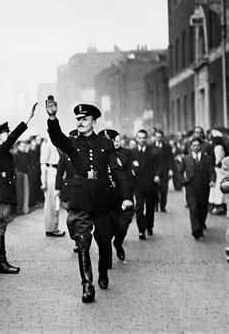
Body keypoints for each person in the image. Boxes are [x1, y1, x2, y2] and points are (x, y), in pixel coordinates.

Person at [45, 100, 132, 303]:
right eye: (78, 119)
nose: (80, 122)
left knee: (103, 241)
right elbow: (57, 138)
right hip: (81, 198)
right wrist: (52, 118)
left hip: (102, 200)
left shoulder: (106, 144)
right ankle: (87, 285)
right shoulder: (73, 142)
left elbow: (118, 172)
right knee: (83, 241)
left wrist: (126, 197)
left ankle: (103, 272)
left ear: (94, 122)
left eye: (84, 119)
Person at [0, 103, 37, 274]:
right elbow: (12, 140)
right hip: (2, 188)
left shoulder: (0, 150)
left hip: (5, 188)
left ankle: (1, 262)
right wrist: (27, 119)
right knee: (0, 224)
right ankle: (0, 264)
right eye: (5, 134)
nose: (8, 136)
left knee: (2, 224)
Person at [98, 129, 135, 261]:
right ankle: (106, 259)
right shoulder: (97, 158)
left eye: (111, 141)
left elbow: (124, 178)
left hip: (120, 199)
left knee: (123, 226)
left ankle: (118, 243)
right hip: (104, 200)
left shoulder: (118, 157)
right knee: (105, 231)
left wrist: (127, 198)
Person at [178, 137, 216, 239]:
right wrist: (183, 181)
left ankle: (200, 225)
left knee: (203, 208)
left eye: (198, 145)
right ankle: (195, 229)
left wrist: (212, 180)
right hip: (191, 187)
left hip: (203, 187)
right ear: (191, 147)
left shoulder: (208, 159)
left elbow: (212, 171)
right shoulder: (186, 158)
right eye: (194, 145)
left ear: (201, 146)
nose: (196, 147)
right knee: (193, 208)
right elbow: (179, 172)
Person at [130, 129, 159, 240]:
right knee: (139, 207)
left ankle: (149, 226)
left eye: (144, 138)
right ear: (137, 139)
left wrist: (157, 175)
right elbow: (129, 166)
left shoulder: (152, 151)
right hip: (138, 184)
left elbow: (158, 166)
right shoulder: (132, 152)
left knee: (150, 207)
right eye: (140, 138)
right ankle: (141, 229)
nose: (142, 140)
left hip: (150, 183)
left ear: (146, 139)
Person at [40, 137, 65, 237]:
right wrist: (43, 181)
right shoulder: (47, 144)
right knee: (51, 202)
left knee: (56, 203)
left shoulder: (55, 142)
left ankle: (54, 226)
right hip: (51, 172)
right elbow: (43, 163)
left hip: (57, 172)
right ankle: (50, 228)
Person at [152, 130, 173, 212]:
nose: (158, 139)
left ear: (162, 137)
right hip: (154, 172)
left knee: (164, 190)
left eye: (160, 137)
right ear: (155, 137)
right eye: (157, 137)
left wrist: (171, 169)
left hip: (164, 171)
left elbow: (170, 159)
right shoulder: (151, 147)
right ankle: (155, 205)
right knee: (154, 190)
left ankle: (163, 206)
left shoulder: (167, 147)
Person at [208, 134, 227, 216]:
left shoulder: (218, 148)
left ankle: (219, 205)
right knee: (216, 189)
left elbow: (219, 159)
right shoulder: (219, 147)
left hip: (219, 170)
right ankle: (216, 205)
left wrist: (214, 165)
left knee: (218, 188)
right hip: (218, 170)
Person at [14, 140, 30, 215]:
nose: (23, 148)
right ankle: (19, 209)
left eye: (24, 146)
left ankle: (21, 208)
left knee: (23, 192)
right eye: (22, 146)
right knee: (19, 192)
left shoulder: (24, 154)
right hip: (19, 173)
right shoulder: (16, 155)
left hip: (23, 173)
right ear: (18, 146)